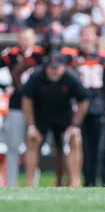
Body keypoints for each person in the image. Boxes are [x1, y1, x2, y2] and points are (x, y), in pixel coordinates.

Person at [22, 51, 89, 187]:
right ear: (46, 67)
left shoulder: (71, 77)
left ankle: (74, 182)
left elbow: (84, 100)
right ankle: (29, 183)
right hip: (41, 115)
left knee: (75, 138)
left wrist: (75, 124)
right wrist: (31, 126)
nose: (54, 71)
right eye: (51, 67)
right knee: (32, 139)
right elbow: (26, 100)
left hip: (64, 116)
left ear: (63, 67)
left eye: (57, 67)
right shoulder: (36, 76)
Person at [0, 28, 45, 187]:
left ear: (34, 39)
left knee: (33, 146)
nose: (26, 41)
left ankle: (32, 182)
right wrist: (5, 87)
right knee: (13, 146)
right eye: (23, 38)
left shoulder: (41, 55)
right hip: (17, 106)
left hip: (36, 107)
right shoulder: (10, 54)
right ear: (18, 39)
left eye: (29, 38)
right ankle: (11, 183)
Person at [72, 25, 105, 187]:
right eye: (84, 35)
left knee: (99, 146)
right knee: (82, 146)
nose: (87, 39)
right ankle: (86, 179)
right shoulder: (74, 58)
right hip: (80, 107)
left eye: (90, 35)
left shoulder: (102, 59)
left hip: (98, 106)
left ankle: (100, 179)